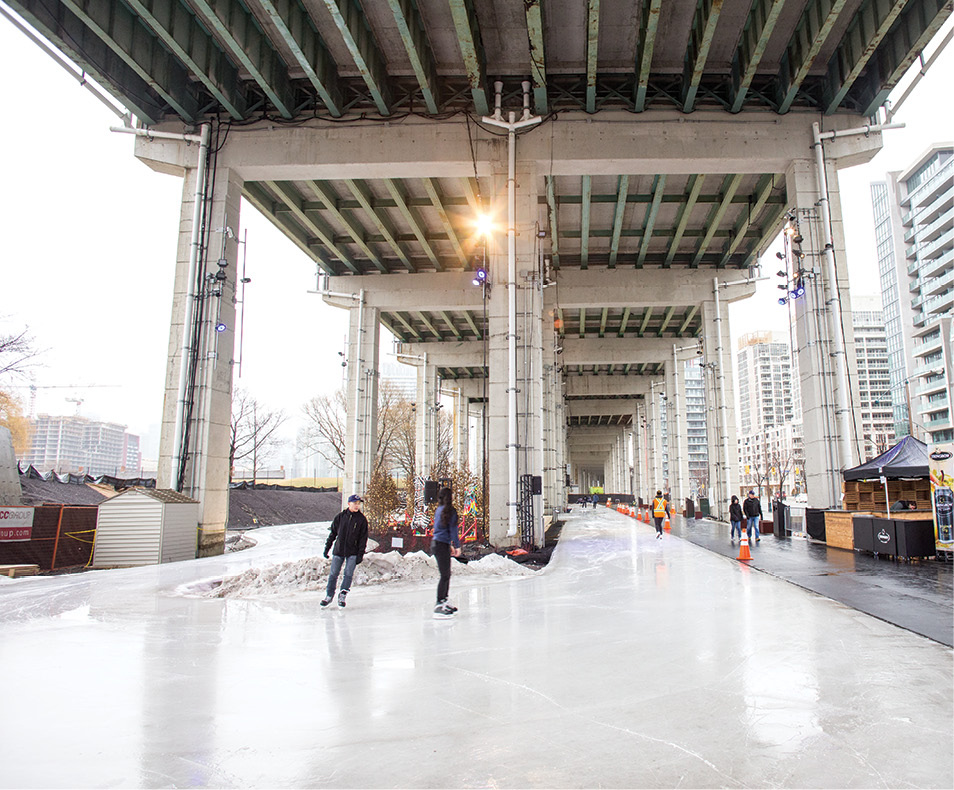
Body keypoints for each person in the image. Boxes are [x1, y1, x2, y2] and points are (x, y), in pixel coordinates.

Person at [321, 494, 369, 608]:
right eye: (355, 503)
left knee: (348, 574)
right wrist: (327, 549)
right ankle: (329, 596)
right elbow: (333, 534)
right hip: (338, 551)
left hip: (353, 552)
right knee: (333, 574)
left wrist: (360, 554)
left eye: (358, 504)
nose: (357, 506)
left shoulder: (362, 520)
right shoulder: (340, 517)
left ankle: (343, 594)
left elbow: (363, 538)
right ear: (349, 504)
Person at [432, 487, 461, 617]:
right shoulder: (450, 511)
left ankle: (444, 599)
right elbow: (453, 530)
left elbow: (439, 529)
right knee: (445, 574)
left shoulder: (439, 510)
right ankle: (439, 601)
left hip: (438, 543)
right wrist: (457, 545)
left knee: (446, 574)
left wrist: (449, 545)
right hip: (441, 544)